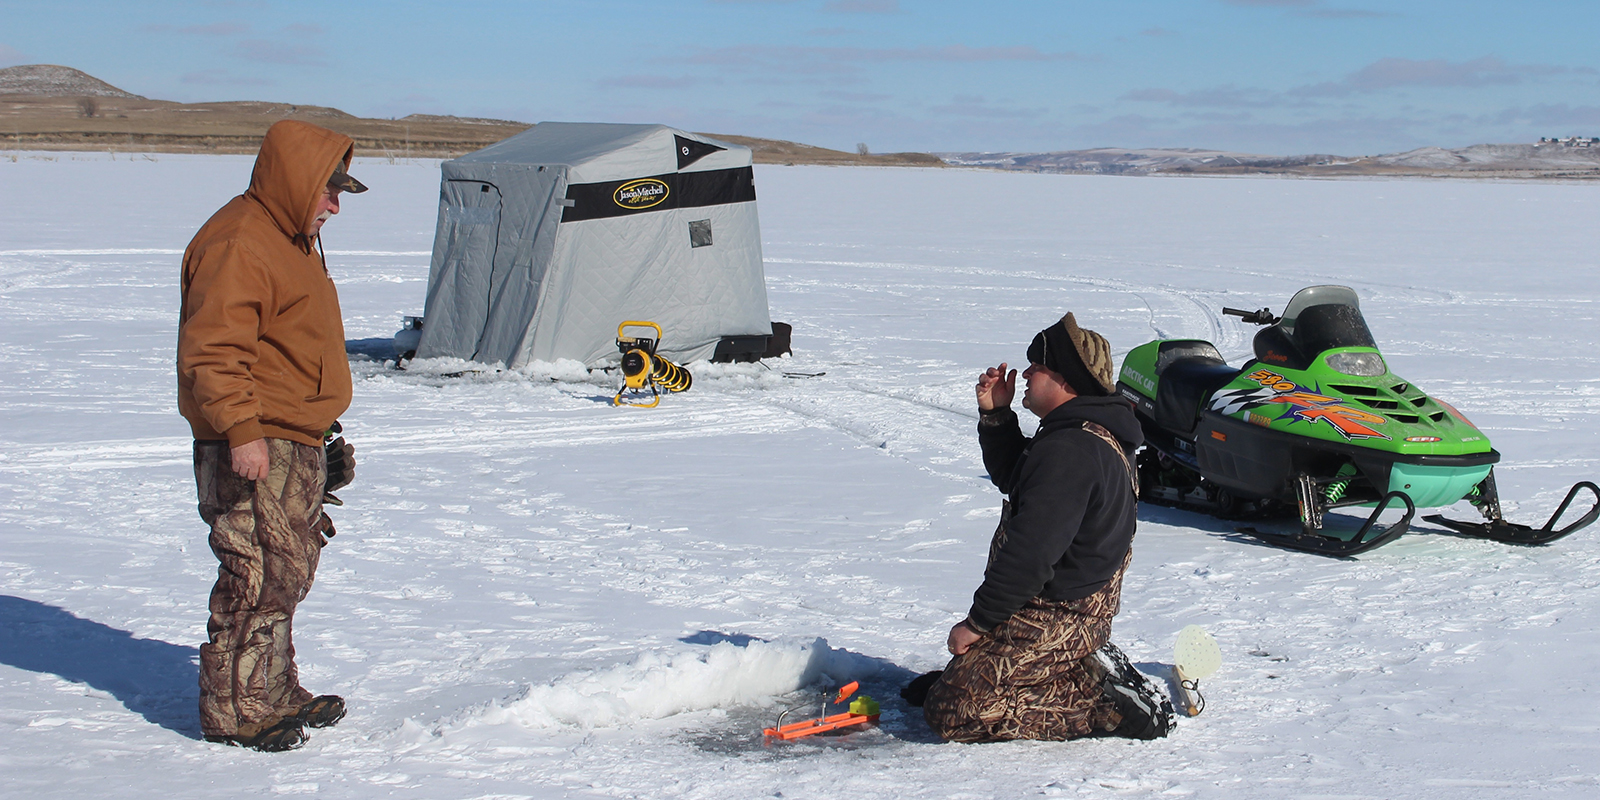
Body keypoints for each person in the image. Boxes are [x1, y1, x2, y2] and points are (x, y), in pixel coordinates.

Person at [177, 119, 365, 752]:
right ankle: (236, 709)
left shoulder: (292, 240)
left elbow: (289, 348)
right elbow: (214, 351)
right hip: (254, 442)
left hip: (293, 439)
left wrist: (318, 433)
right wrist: (241, 431)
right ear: (297, 181)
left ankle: (272, 689)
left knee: (287, 572)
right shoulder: (240, 242)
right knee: (253, 572)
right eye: (328, 191)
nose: (336, 206)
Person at [906, 312, 1173, 742]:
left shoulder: (1072, 449)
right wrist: (996, 416)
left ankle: (1104, 705)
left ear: (1068, 379)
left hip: (1059, 613)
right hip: (1072, 606)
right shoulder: (1085, 435)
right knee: (954, 683)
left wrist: (976, 624)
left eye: (1039, 365)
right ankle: (1077, 666)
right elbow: (1020, 480)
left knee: (953, 710)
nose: (1026, 372)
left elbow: (1029, 555)